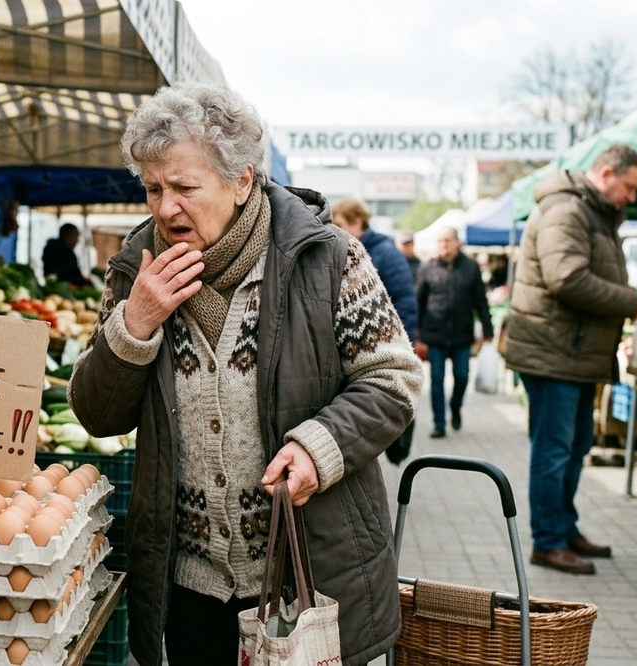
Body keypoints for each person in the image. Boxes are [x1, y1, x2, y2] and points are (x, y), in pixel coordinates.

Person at [68, 83, 421, 666]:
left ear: (242, 181)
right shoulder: (137, 268)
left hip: (308, 575)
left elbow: (393, 379)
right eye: (153, 188)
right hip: (191, 585)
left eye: (184, 187)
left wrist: (319, 447)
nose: (164, 207)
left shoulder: (328, 258)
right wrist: (135, 323)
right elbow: (97, 414)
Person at [503, 143, 637, 574]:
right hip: (555, 353)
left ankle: (564, 529)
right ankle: (548, 542)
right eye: (629, 187)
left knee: (574, 447)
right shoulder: (567, 211)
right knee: (554, 451)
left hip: (572, 354)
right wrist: (632, 302)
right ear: (606, 173)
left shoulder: (590, 212)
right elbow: (567, 278)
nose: (631, 197)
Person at [332, 199, 419, 465]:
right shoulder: (341, 250)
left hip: (381, 347)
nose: (335, 230)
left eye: (341, 224)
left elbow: (404, 300)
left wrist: (399, 347)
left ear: (357, 222)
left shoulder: (386, 253)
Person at [416, 227, 493, 439]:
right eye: (440, 241)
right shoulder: (428, 268)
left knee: (462, 375)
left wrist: (487, 328)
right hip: (435, 334)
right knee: (437, 379)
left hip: (462, 334)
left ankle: (456, 407)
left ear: (457, 242)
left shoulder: (470, 267)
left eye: (447, 241)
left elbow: (481, 301)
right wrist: (417, 333)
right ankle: (439, 423)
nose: (443, 245)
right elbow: (419, 302)